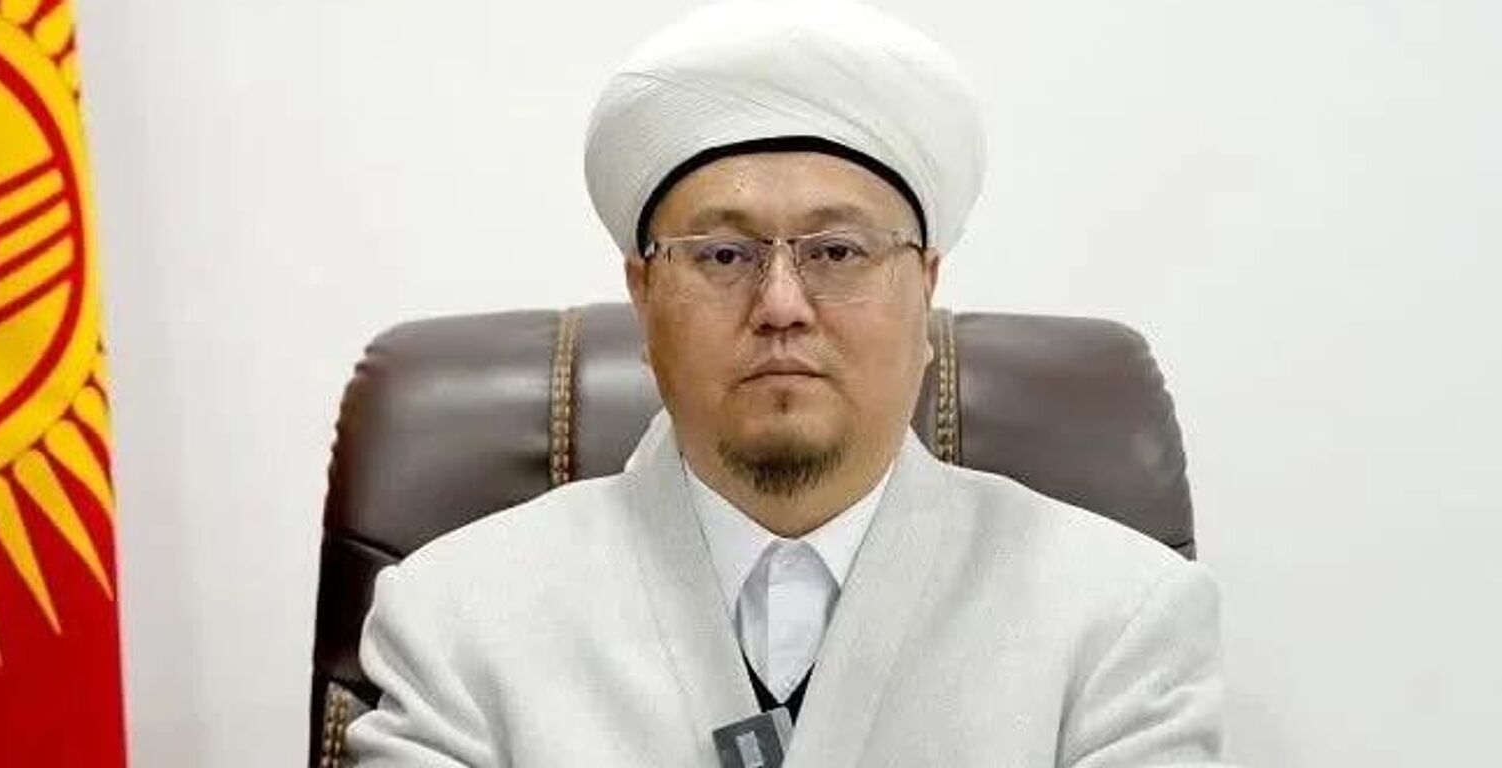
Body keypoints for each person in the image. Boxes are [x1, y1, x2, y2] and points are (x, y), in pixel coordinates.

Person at [346, 1, 1227, 765]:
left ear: (925, 289)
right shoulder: (459, 621)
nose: (780, 305)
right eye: (723, 255)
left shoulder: (1116, 621)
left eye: (837, 251)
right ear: (644, 297)